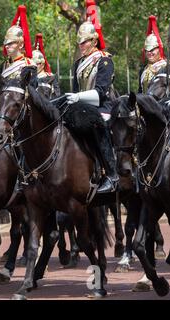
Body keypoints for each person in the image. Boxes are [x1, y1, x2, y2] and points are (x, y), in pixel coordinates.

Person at [65, 2, 118, 193]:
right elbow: (76, 90)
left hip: (103, 107)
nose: (81, 46)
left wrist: (78, 97)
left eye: (85, 42)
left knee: (96, 125)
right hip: (82, 107)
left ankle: (112, 175)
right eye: (79, 43)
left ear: (94, 41)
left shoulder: (104, 60)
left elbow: (101, 92)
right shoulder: (78, 64)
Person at [0, 5, 36, 89]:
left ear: (21, 44)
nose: (7, 46)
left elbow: (30, 93)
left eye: (11, 43)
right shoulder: (4, 65)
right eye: (6, 44)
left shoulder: (29, 65)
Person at [138, 15, 167, 98]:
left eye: (153, 49)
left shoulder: (165, 67)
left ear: (159, 49)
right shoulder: (143, 69)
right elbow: (140, 91)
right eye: (147, 50)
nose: (149, 53)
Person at [32, 33, 60, 99]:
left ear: (42, 64)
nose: (34, 67)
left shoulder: (50, 78)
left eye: (36, 64)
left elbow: (56, 97)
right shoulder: (29, 78)